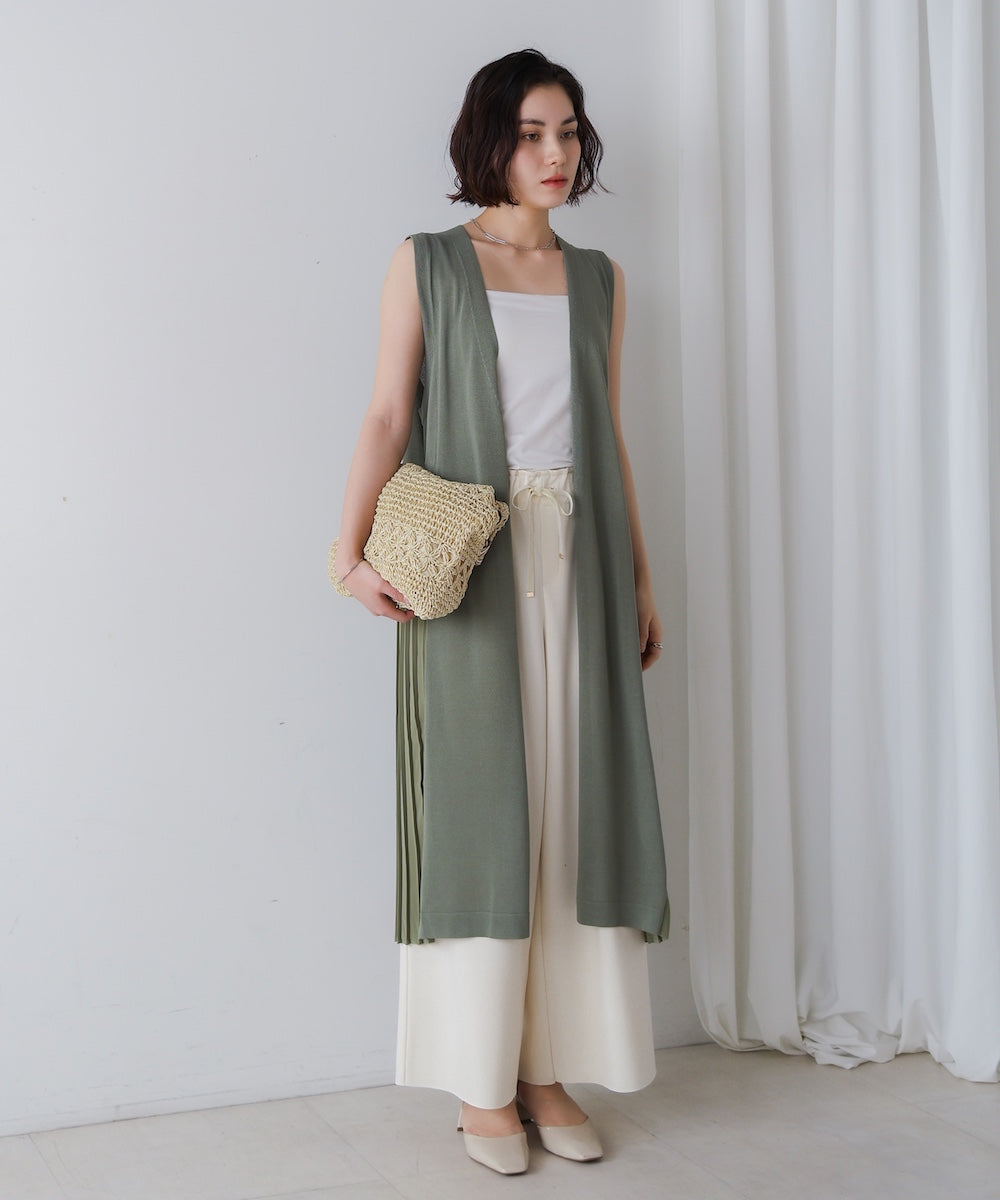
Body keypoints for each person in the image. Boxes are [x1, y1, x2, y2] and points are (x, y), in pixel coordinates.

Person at [333, 48, 669, 1175]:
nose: (555, 154)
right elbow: (388, 415)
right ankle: (481, 1082)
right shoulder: (428, 261)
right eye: (531, 133)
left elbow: (606, 432)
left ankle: (545, 1067)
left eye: (568, 132)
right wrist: (347, 555)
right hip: (469, 562)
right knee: (486, 813)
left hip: (583, 557)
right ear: (489, 140)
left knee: (572, 810)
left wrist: (640, 580)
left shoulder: (601, 278)